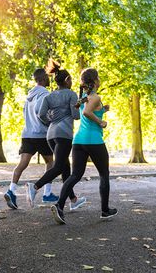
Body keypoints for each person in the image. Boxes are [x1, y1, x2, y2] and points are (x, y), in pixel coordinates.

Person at [51, 68, 117, 225]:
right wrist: (101, 122)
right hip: (93, 141)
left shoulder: (84, 98)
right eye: (98, 78)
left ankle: (59, 206)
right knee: (104, 174)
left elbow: (87, 110)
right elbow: (87, 113)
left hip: (78, 141)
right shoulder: (94, 97)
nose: (100, 81)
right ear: (94, 81)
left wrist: (103, 110)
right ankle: (105, 210)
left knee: (75, 175)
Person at [25, 60, 86, 211]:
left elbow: (41, 114)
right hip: (64, 134)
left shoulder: (49, 96)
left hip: (51, 135)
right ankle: (35, 186)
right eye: (71, 79)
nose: (72, 82)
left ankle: (73, 200)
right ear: (67, 80)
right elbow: (76, 116)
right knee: (59, 166)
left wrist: (52, 120)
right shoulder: (71, 94)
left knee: (65, 168)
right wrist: (77, 105)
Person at [4, 68, 59, 210]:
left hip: (27, 134)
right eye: (47, 77)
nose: (49, 79)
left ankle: (11, 190)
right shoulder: (45, 94)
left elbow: (26, 114)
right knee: (51, 163)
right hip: (41, 134)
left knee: (22, 164)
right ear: (42, 79)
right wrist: (49, 122)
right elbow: (42, 114)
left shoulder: (29, 96)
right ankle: (47, 193)